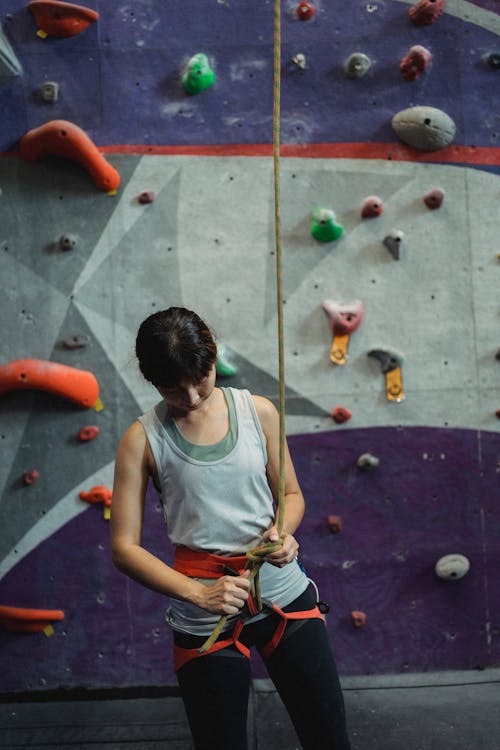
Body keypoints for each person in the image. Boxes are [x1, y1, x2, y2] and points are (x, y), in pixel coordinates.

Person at [110, 307, 351, 750]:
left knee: (329, 738)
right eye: (171, 387)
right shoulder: (141, 439)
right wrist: (198, 593)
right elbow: (124, 548)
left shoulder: (258, 411)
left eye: (199, 378)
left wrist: (283, 532)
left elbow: (292, 497)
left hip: (284, 596)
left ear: (214, 356)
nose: (192, 397)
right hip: (204, 611)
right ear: (150, 380)